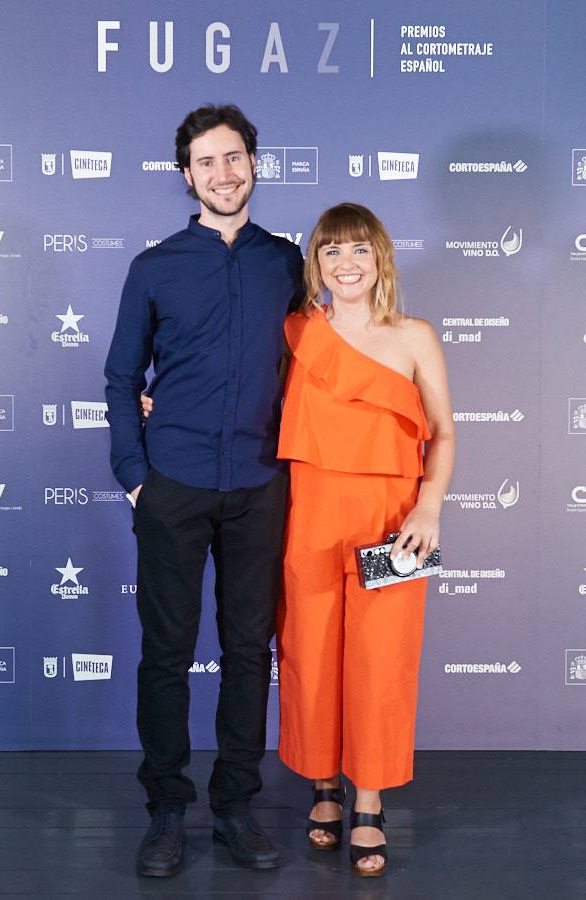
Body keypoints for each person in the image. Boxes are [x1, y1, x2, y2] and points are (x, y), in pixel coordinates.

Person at [104, 104, 303, 877]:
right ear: (186, 176)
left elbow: (315, 363)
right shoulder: (153, 268)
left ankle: (234, 808)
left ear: (255, 162)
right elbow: (122, 377)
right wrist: (134, 478)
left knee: (249, 651)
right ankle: (165, 812)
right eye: (207, 162)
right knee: (167, 654)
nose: (224, 173)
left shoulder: (287, 263)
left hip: (260, 483)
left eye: (234, 157)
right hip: (174, 485)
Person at [276, 203, 455, 877]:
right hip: (310, 516)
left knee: (382, 662)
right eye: (331, 251)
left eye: (358, 249)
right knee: (311, 653)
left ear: (380, 257)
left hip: (394, 522)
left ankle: (370, 802)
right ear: (315, 263)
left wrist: (429, 508)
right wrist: (162, 403)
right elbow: (238, 397)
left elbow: (444, 432)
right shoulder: (297, 332)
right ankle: (323, 784)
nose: (345, 263)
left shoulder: (415, 336)